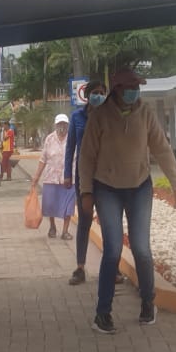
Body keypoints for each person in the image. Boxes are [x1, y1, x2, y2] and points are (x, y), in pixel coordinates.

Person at [77, 67, 176, 334]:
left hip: (139, 188)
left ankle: (148, 302)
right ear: (117, 90)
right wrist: (86, 192)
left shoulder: (145, 113)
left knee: (141, 249)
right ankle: (103, 313)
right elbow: (87, 157)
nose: (135, 92)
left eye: (137, 87)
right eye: (130, 88)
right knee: (113, 250)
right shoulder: (100, 116)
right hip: (107, 189)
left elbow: (162, 149)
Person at [63, 80, 107, 285]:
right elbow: (70, 147)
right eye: (95, 92)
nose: (99, 96)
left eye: (102, 93)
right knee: (84, 221)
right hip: (83, 176)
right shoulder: (77, 117)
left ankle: (113, 268)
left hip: (107, 176)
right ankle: (80, 268)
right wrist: (67, 174)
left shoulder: (109, 116)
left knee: (109, 223)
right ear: (87, 96)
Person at [32, 113, 75, 240]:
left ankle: (65, 231)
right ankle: (52, 226)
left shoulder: (73, 139)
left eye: (64, 124)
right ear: (55, 125)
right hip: (51, 178)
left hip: (68, 179)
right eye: (59, 124)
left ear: (68, 125)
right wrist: (36, 177)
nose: (62, 127)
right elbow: (43, 159)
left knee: (68, 206)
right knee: (50, 205)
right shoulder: (49, 139)